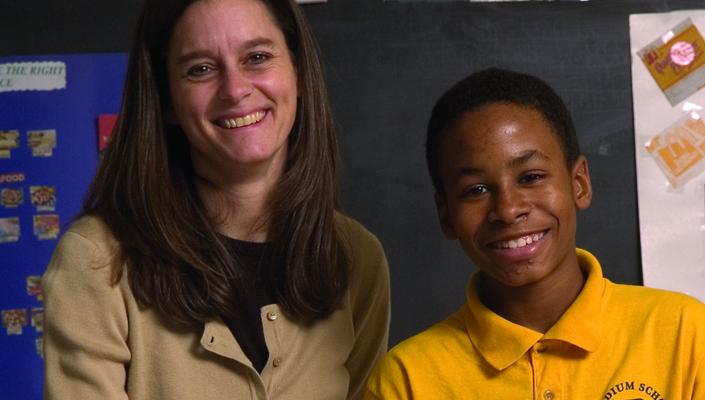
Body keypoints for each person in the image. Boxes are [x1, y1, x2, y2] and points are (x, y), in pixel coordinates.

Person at [42, 0, 390, 399]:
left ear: (297, 71)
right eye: (200, 69)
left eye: (257, 57)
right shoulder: (96, 260)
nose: (236, 90)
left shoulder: (356, 258)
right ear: (167, 100)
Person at [364, 68, 705, 399]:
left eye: (531, 177)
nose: (508, 209)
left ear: (579, 184)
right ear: (446, 215)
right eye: (476, 189)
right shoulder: (408, 379)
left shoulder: (685, 333)